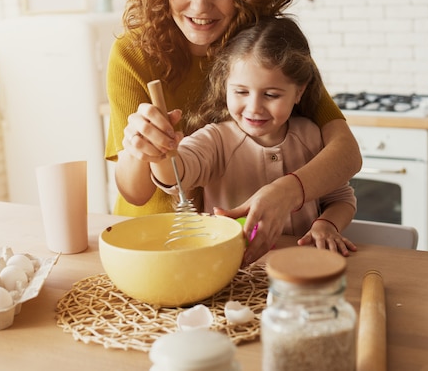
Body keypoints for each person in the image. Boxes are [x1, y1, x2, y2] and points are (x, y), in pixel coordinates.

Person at [105, 0, 362, 264]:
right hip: (150, 240)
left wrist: (286, 192)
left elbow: (346, 153)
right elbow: (136, 193)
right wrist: (139, 148)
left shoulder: (259, 49)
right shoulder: (134, 53)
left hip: (233, 247)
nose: (200, 6)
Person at [149, 16, 357, 260]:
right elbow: (176, 175)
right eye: (241, 92)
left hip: (302, 267)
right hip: (232, 271)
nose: (254, 107)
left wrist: (326, 224)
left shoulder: (311, 137)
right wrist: (161, 151)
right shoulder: (215, 140)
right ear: (224, 86)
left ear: (299, 92)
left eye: (271, 94)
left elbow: (341, 199)